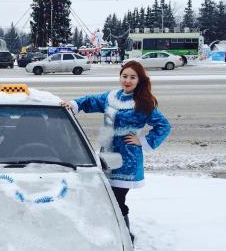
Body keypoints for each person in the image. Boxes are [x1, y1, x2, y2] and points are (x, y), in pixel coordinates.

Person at [62, 60, 171, 238]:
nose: (127, 80)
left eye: (132, 77)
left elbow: (163, 126)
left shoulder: (143, 102)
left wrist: (142, 141)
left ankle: (125, 236)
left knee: (117, 199)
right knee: (107, 197)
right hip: (107, 155)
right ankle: (113, 231)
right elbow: (90, 101)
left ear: (139, 80)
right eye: (124, 76)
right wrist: (73, 104)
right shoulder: (111, 97)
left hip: (127, 160)